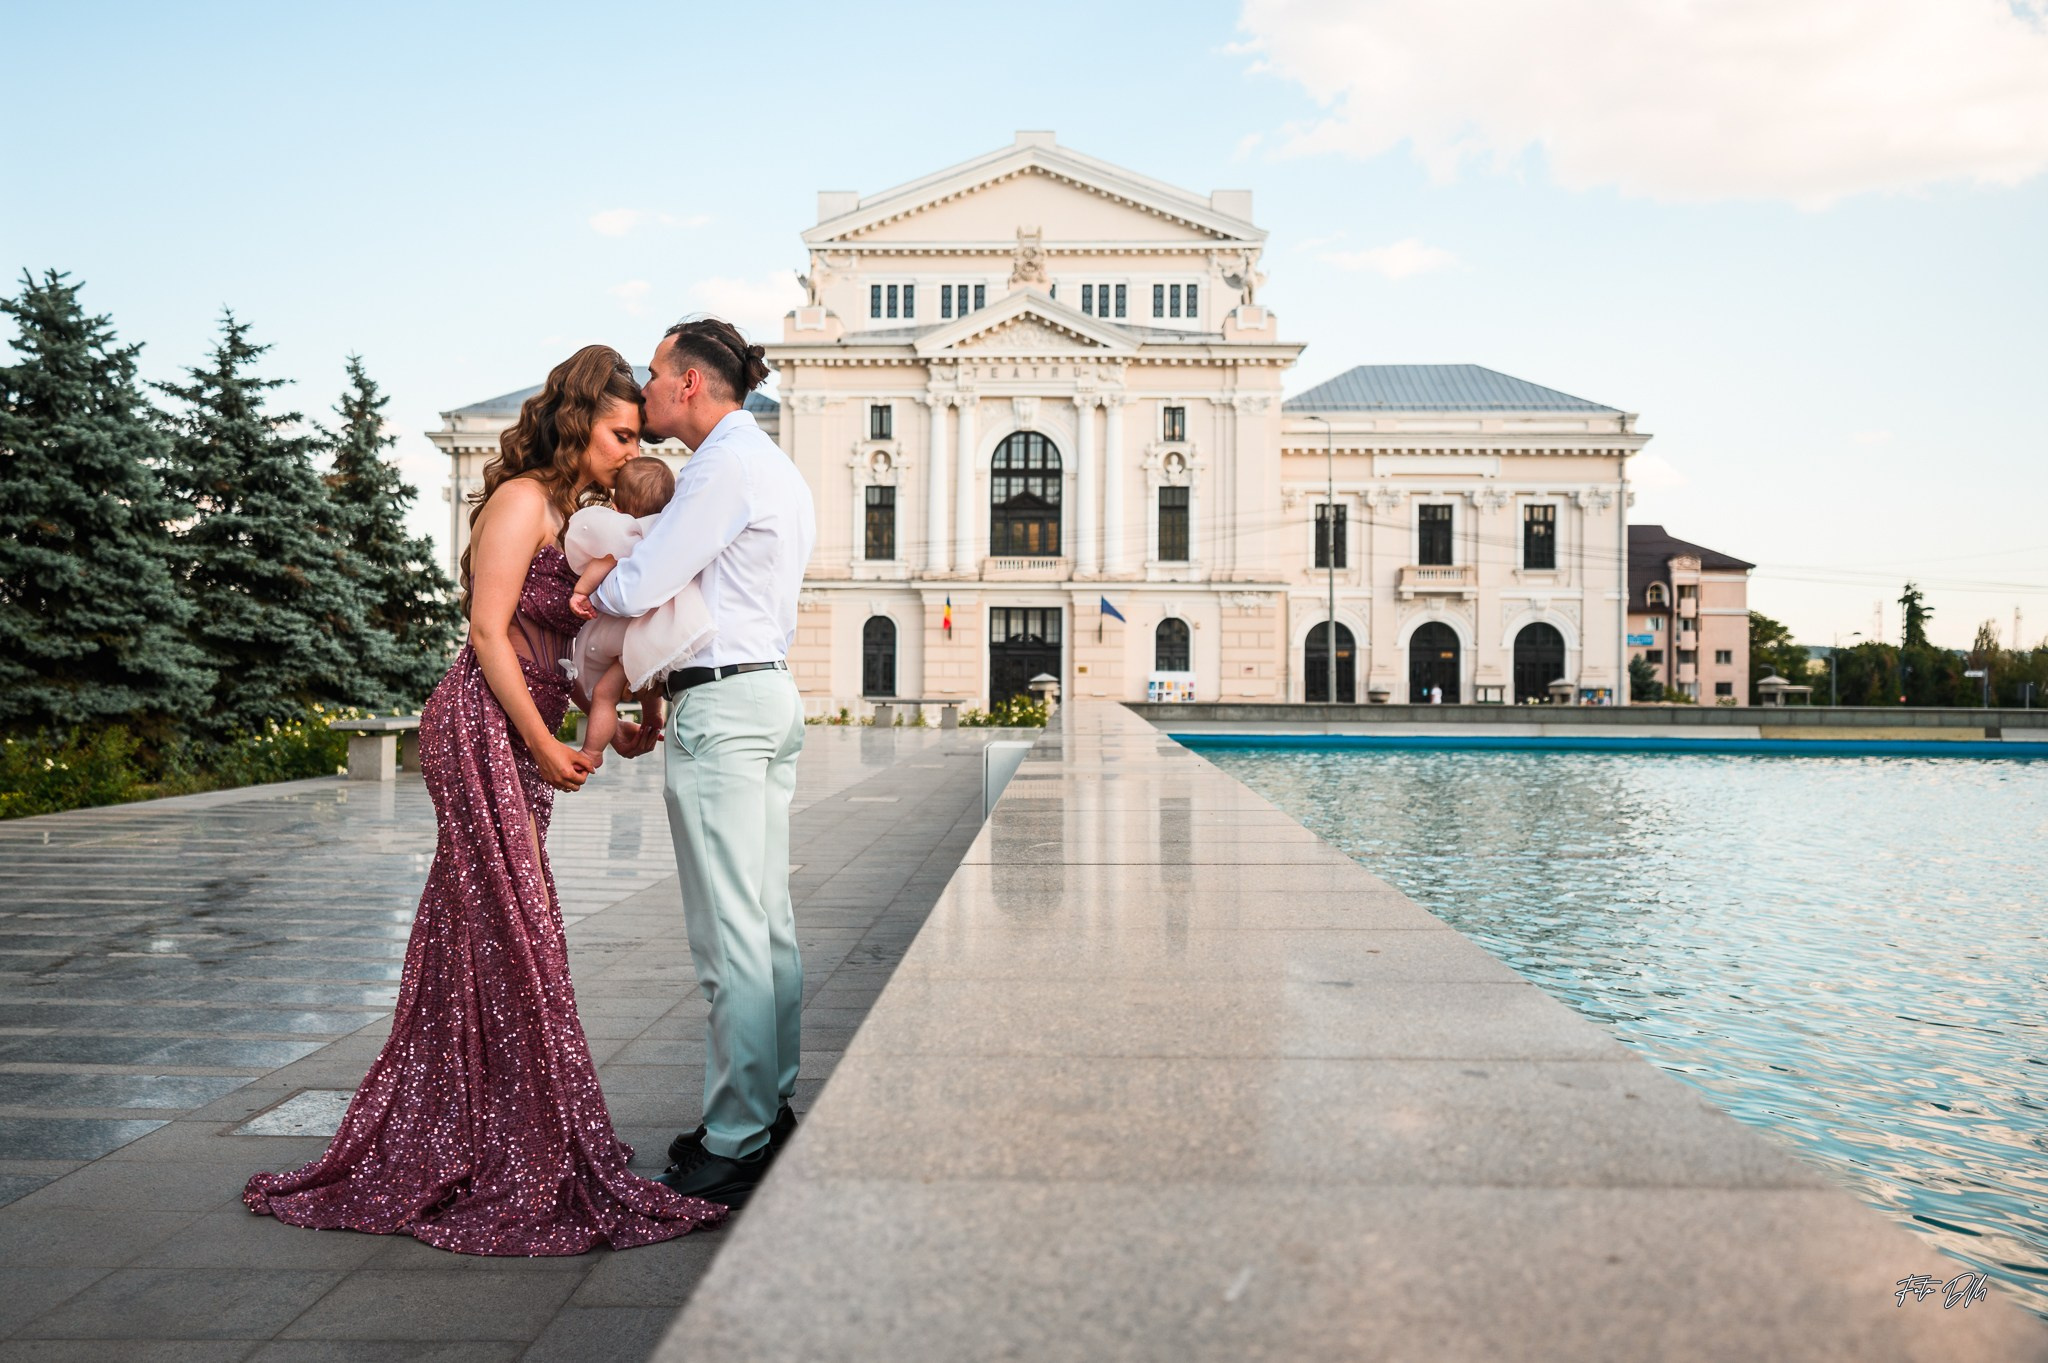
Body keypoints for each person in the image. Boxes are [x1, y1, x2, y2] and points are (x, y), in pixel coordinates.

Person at [243, 346, 726, 1254]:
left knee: (476, 927)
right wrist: (544, 742)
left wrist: (601, 719)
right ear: (579, 421)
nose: (632, 450)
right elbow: (488, 632)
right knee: (518, 923)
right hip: (478, 727)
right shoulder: (516, 502)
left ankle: (461, 1127)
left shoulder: (573, 514)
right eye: (621, 433)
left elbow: (565, 644)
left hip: (523, 727)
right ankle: (504, 1134)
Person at [584, 316, 816, 1208]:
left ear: (689, 384)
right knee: (766, 923)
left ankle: (735, 1137)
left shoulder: (719, 467)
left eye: (651, 375)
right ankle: (767, 1107)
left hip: (722, 706)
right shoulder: (775, 465)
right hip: (768, 694)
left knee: (730, 935)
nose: (642, 391)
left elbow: (644, 585)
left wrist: (581, 587)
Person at [563, 455, 715, 770]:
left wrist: (580, 593)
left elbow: (602, 562)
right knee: (645, 673)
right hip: (652, 635)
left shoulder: (624, 532)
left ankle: (591, 753)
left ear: (618, 506)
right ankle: (652, 717)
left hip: (619, 635)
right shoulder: (669, 533)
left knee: (605, 695)